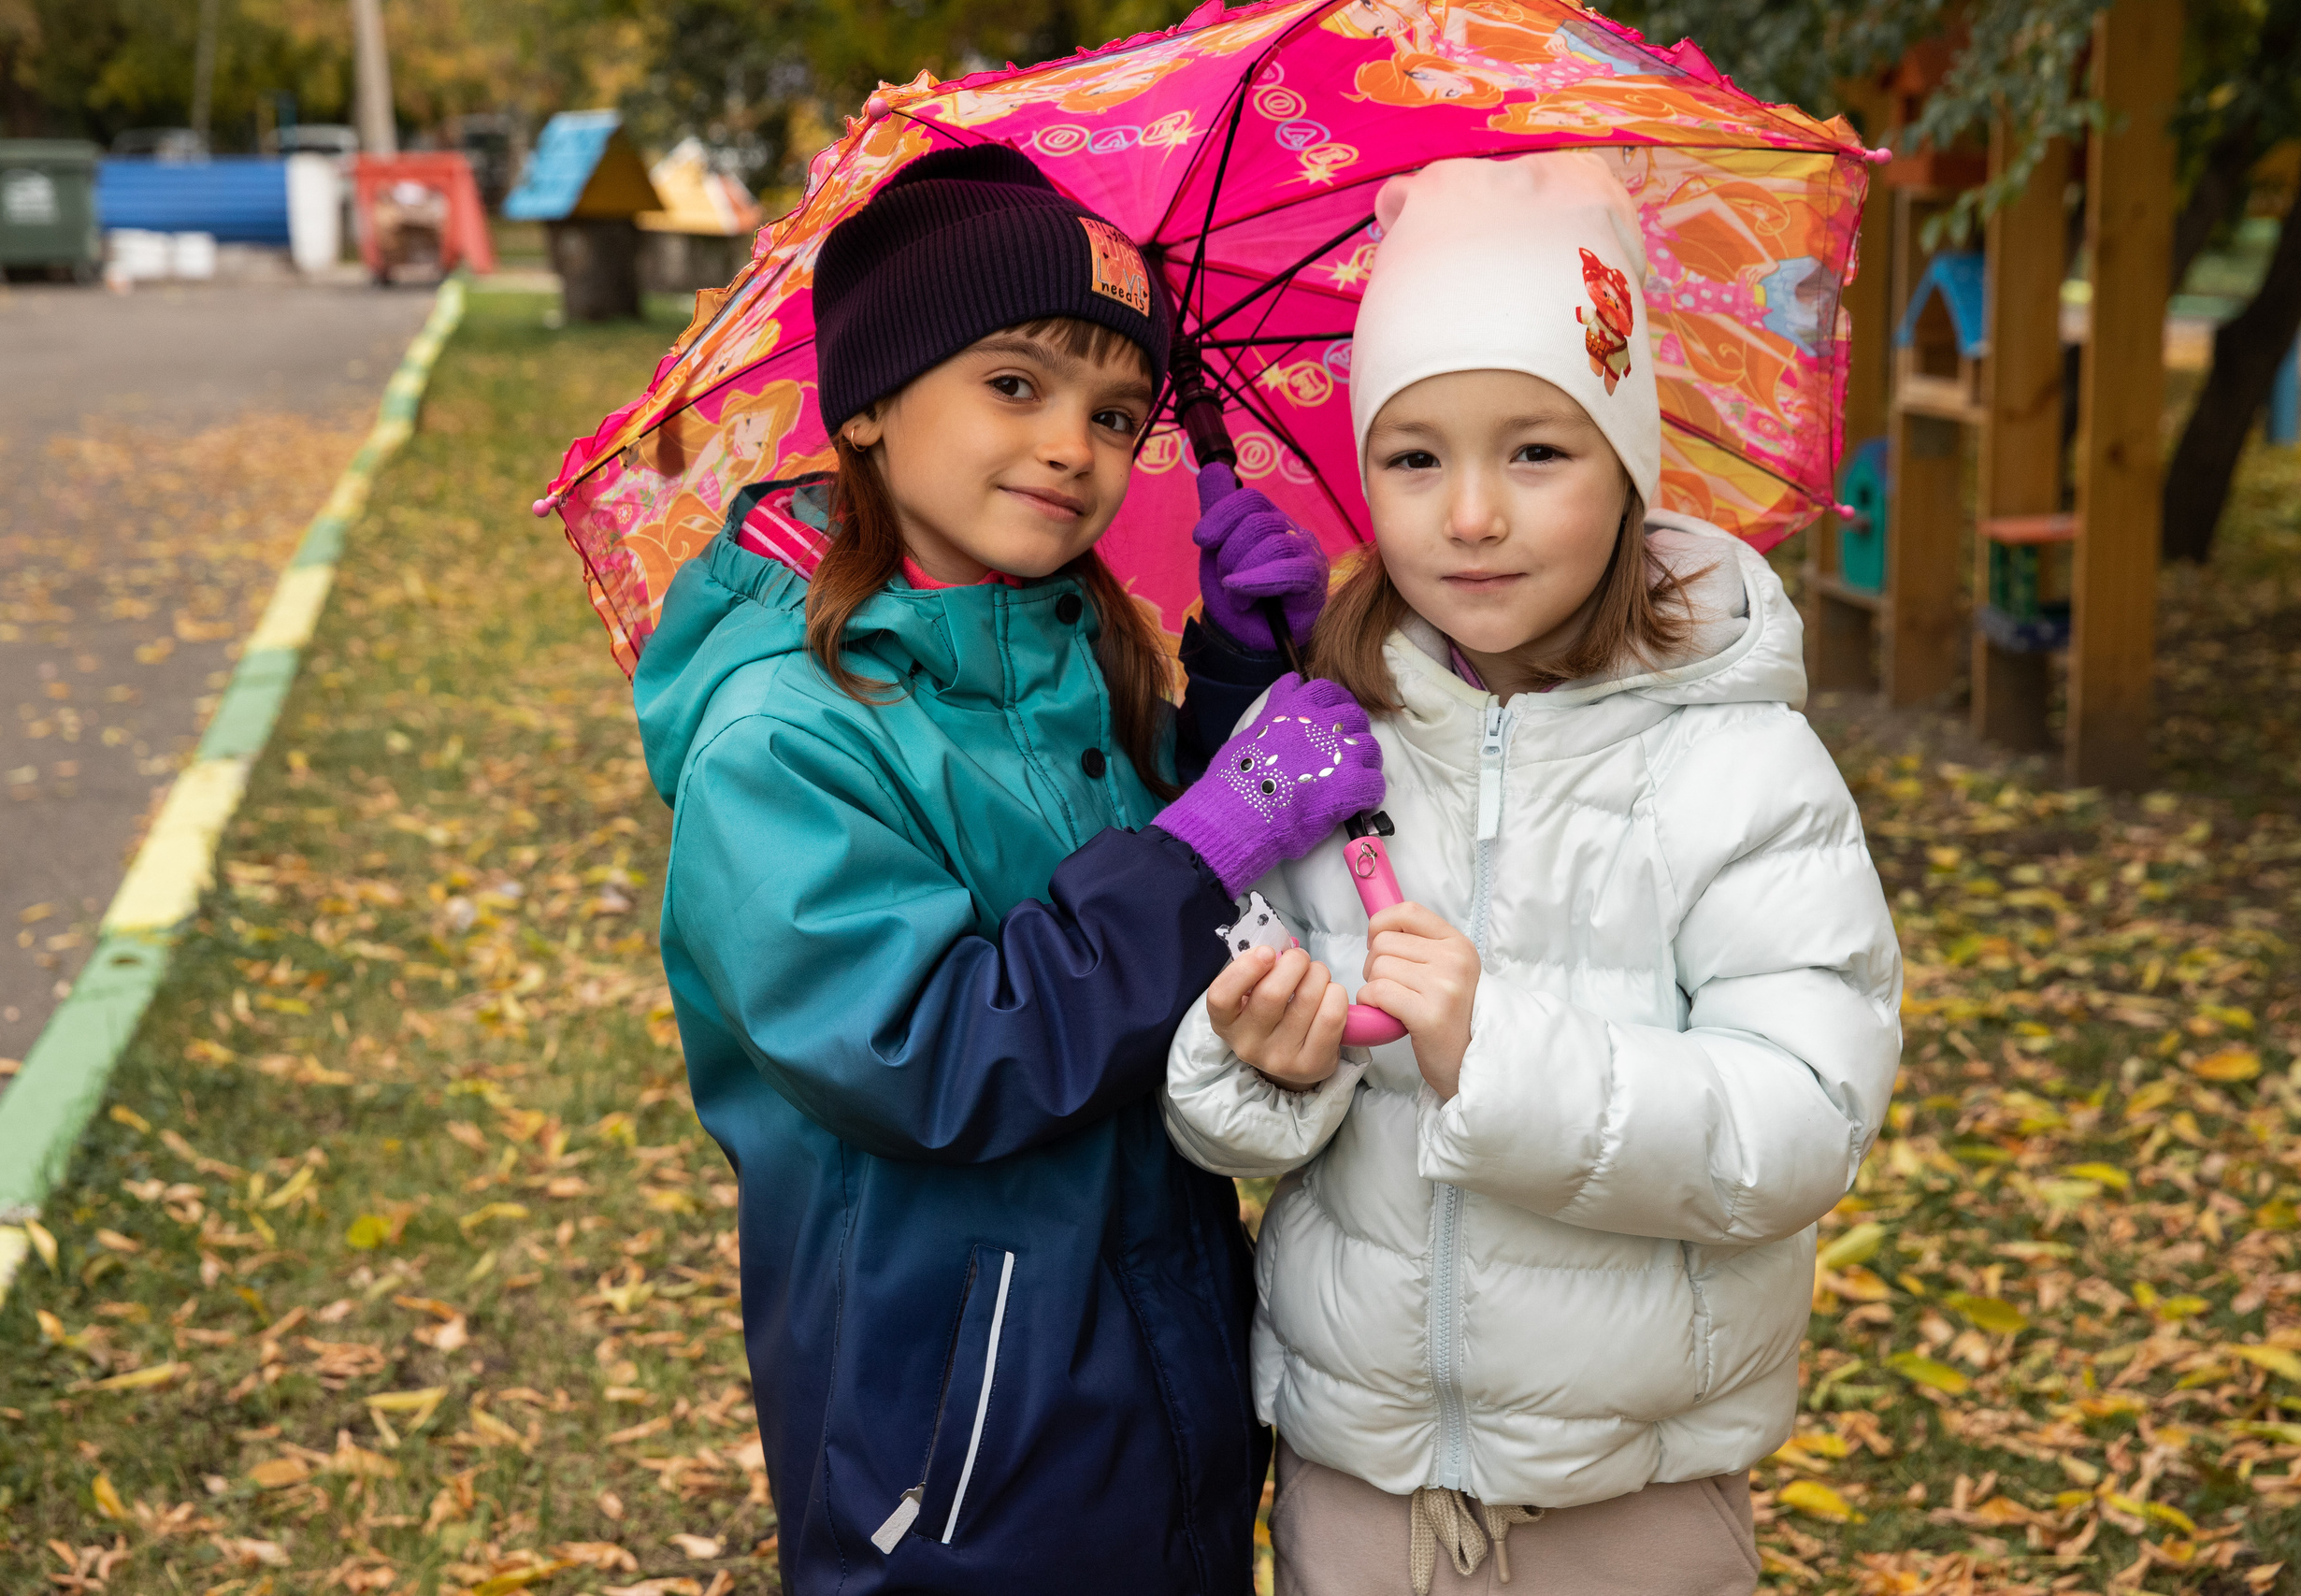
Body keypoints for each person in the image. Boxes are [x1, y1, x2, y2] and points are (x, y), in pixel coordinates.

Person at [632, 142, 1380, 1595]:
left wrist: (1226, 676)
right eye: (1015, 385)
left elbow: (1164, 920)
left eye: (1116, 413)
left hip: (1151, 1351)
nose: (1073, 447)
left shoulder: (1068, 650)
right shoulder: (778, 737)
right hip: (951, 1436)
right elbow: (936, 1052)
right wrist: (1210, 832)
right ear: (870, 405)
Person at [1158, 152, 1905, 1595]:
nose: (1473, 515)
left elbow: (1799, 1122)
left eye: (1538, 451)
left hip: (1633, 1500)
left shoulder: (1740, 770)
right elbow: (1248, 1128)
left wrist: (1494, 1047)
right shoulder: (1324, 748)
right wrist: (1255, 1064)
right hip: (1358, 1484)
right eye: (1416, 456)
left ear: (1628, 467)